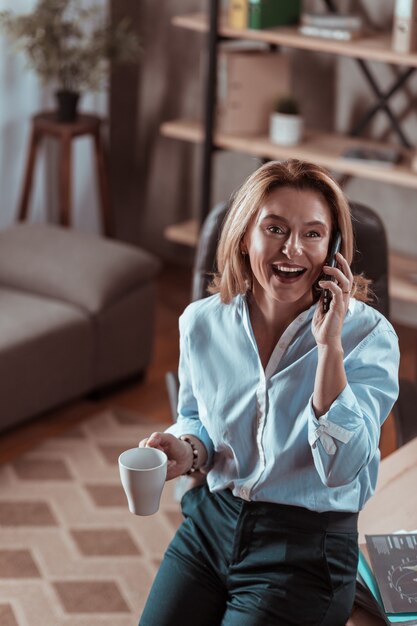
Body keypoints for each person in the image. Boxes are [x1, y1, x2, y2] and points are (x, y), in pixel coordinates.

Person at [138, 159, 400, 626]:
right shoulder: (202, 323)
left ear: (335, 247)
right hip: (213, 525)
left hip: (306, 547)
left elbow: (341, 469)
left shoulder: (368, 337)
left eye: (313, 234)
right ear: (244, 236)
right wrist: (187, 449)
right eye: (275, 228)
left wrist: (329, 348)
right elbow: (197, 417)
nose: (292, 249)